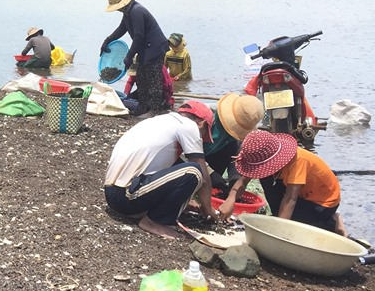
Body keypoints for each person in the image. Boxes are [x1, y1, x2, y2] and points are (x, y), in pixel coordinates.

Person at [103, 100, 218, 239]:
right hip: (126, 196)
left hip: (113, 193)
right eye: (203, 134)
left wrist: (183, 201)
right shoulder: (189, 126)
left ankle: (146, 212)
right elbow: (204, 178)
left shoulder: (159, 121)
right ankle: (154, 222)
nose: (201, 139)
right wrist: (209, 210)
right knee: (195, 171)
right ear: (202, 124)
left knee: (182, 166)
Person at [217, 130, 346, 235]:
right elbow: (243, 181)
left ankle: (333, 221)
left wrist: (278, 231)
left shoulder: (298, 160)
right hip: (298, 192)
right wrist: (230, 200)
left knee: (297, 228)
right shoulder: (265, 161)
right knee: (266, 178)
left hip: (321, 201)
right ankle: (279, 216)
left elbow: (290, 198)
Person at [101, 0, 169, 117]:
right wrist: (107, 40)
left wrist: (129, 56)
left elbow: (139, 36)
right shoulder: (128, 12)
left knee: (153, 80)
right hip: (144, 48)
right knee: (141, 79)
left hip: (154, 48)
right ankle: (142, 108)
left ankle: (154, 111)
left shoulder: (136, 11)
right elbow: (122, 29)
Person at [204, 92, 263, 192]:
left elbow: (236, 157)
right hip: (190, 159)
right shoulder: (204, 117)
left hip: (214, 158)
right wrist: (210, 173)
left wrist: (234, 177)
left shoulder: (240, 133)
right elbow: (186, 152)